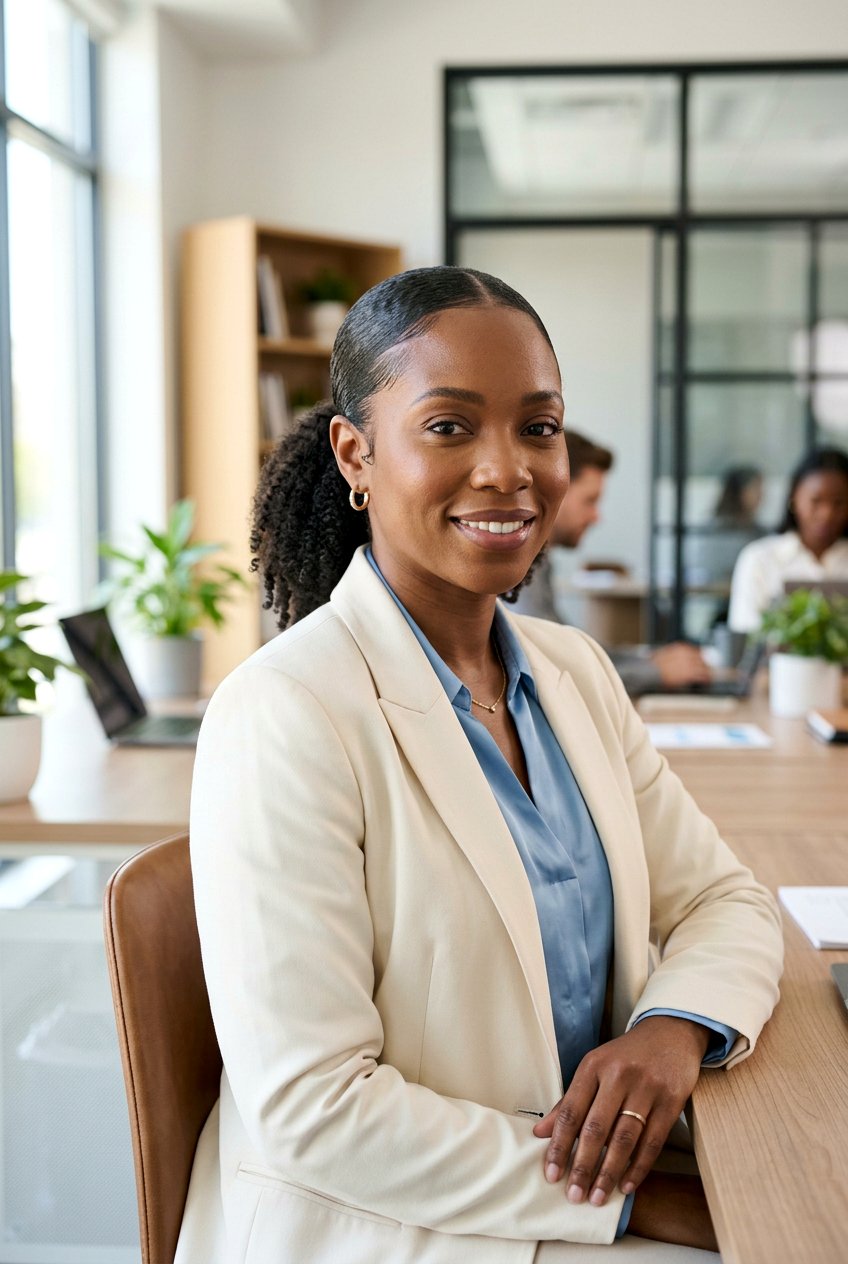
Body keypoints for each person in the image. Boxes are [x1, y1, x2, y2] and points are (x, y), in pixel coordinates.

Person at [176, 267, 782, 1264]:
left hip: (579, 1184)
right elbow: (315, 1109)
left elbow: (722, 898)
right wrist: (629, 1206)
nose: (509, 470)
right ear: (354, 454)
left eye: (536, 428)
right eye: (450, 427)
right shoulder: (285, 712)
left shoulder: (571, 671)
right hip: (399, 1224)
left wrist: (673, 1026)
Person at [513, 430, 712, 695]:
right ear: (554, 488)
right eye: (590, 501)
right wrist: (655, 672)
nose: (596, 517)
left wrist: (647, 661)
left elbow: (571, 652)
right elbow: (553, 668)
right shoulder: (518, 563)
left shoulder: (540, 561)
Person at [728, 446, 848, 633]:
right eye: (816, 501)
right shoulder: (760, 557)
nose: (827, 514)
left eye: (839, 502)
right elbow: (745, 635)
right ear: (794, 498)